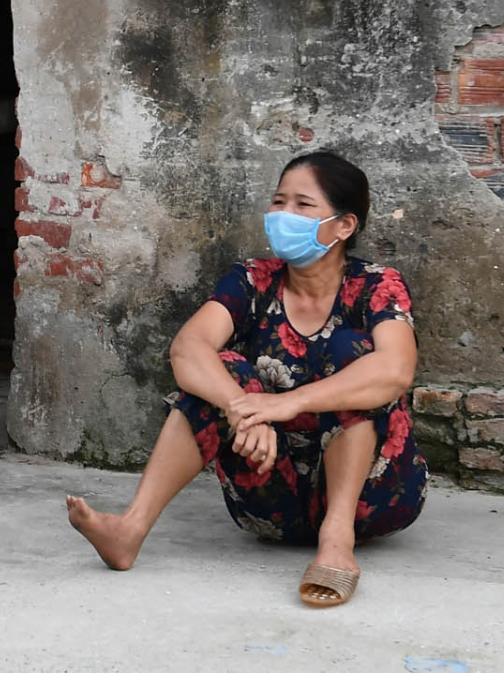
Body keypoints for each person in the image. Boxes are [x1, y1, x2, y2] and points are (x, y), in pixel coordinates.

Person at [65, 151, 425, 607]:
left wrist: (285, 404)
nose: (282, 215)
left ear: (344, 226)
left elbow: (396, 370)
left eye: (302, 205)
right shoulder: (253, 279)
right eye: (278, 201)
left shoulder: (377, 285)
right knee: (218, 371)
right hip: (269, 493)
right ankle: (129, 529)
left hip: (373, 499)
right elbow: (187, 348)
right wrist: (242, 409)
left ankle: (337, 541)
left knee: (351, 354)